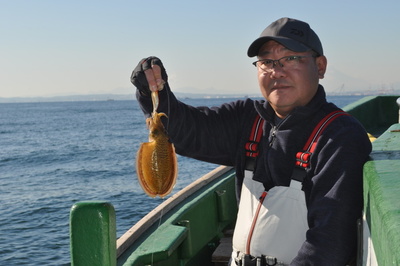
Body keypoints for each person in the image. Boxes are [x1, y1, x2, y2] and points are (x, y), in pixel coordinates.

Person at [131, 17, 372, 265]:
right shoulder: (248, 119)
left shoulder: (339, 136)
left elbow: (331, 242)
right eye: (267, 62)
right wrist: (154, 91)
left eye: (291, 58)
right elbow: (187, 132)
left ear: (319, 66)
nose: (277, 71)